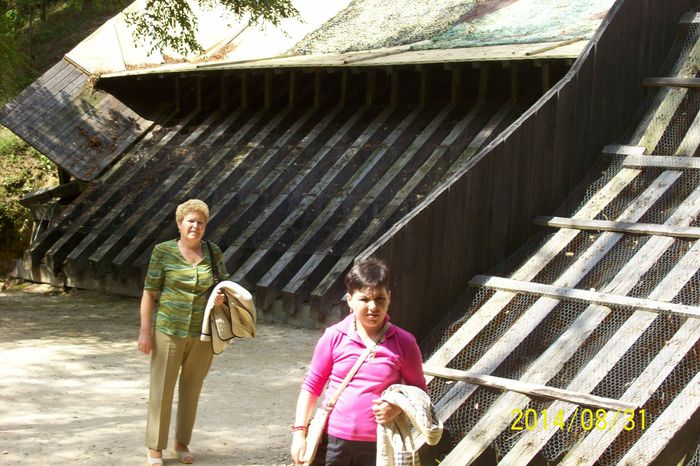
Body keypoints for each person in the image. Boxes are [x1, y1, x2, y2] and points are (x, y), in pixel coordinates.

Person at [290, 257, 428, 465]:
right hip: (332, 441)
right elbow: (312, 387)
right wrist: (299, 433)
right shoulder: (333, 337)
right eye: (364, 299)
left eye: (380, 299)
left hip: (379, 445)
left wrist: (398, 407)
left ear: (389, 298)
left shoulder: (404, 343)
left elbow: (419, 392)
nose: (373, 307)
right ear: (349, 300)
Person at [137, 199, 227, 465]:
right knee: (161, 389)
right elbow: (149, 292)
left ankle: (181, 444)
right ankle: (155, 448)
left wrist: (220, 298)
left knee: (192, 389)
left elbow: (223, 286)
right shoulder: (162, 252)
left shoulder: (213, 253)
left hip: (202, 333)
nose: (195, 227)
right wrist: (145, 331)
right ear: (179, 224)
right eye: (190, 221)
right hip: (168, 330)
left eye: (200, 222)